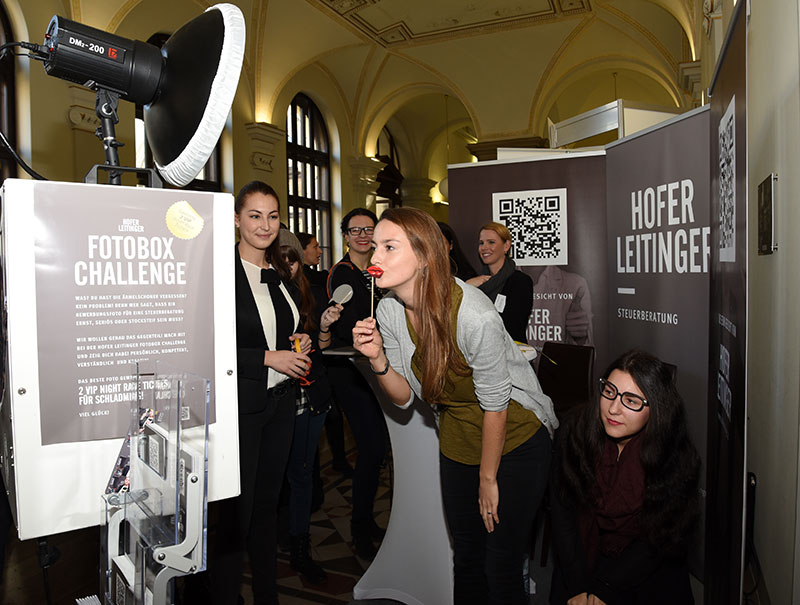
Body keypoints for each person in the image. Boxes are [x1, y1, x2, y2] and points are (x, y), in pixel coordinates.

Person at [352, 207, 557, 604]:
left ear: (426, 255)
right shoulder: (389, 311)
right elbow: (405, 397)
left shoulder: (473, 313)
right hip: (458, 442)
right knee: (465, 559)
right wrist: (378, 359)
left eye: (389, 247)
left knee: (501, 565)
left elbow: (496, 405)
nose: (375, 257)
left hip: (514, 442)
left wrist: (488, 479)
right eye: (375, 246)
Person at [211, 180, 312, 605]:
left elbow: (286, 328)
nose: (264, 225)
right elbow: (208, 345)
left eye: (272, 216)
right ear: (237, 220)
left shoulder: (279, 273)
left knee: (268, 508)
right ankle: (225, 595)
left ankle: (267, 595)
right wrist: (267, 359)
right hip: (241, 408)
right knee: (236, 514)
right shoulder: (220, 273)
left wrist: (300, 341)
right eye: (254, 215)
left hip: (281, 405)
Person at [549, 349, 701, 605]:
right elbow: (562, 515)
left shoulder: (675, 456)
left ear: (657, 408)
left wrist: (604, 588)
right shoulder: (574, 433)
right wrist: (578, 586)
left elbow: (659, 538)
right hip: (582, 557)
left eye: (631, 401)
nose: (614, 409)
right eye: (609, 391)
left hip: (647, 564)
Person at [278, 233, 343, 585]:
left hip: (312, 396)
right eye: (281, 258)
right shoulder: (265, 292)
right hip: (277, 398)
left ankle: (301, 548)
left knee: (302, 474)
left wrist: (324, 330)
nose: (288, 265)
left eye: (293, 258)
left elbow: (323, 346)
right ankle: (277, 536)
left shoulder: (313, 293)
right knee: (274, 476)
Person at [325, 207, 388, 560]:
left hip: (376, 368)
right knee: (372, 448)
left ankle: (366, 520)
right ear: (345, 235)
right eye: (356, 230)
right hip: (349, 371)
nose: (363, 235)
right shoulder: (343, 273)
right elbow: (350, 322)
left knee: (377, 452)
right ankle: (359, 529)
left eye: (369, 229)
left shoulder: (379, 270)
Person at [297, 230, 353, 478]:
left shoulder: (319, 282)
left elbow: (323, 340)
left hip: (318, 365)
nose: (320, 251)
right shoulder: (302, 286)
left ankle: (336, 462)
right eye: (315, 247)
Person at [466, 221, 533, 343]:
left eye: (491, 242)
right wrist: (466, 288)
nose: (484, 247)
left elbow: (512, 326)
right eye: (481, 243)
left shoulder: (521, 282)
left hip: (510, 354)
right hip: (478, 353)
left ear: (506, 246)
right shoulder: (475, 282)